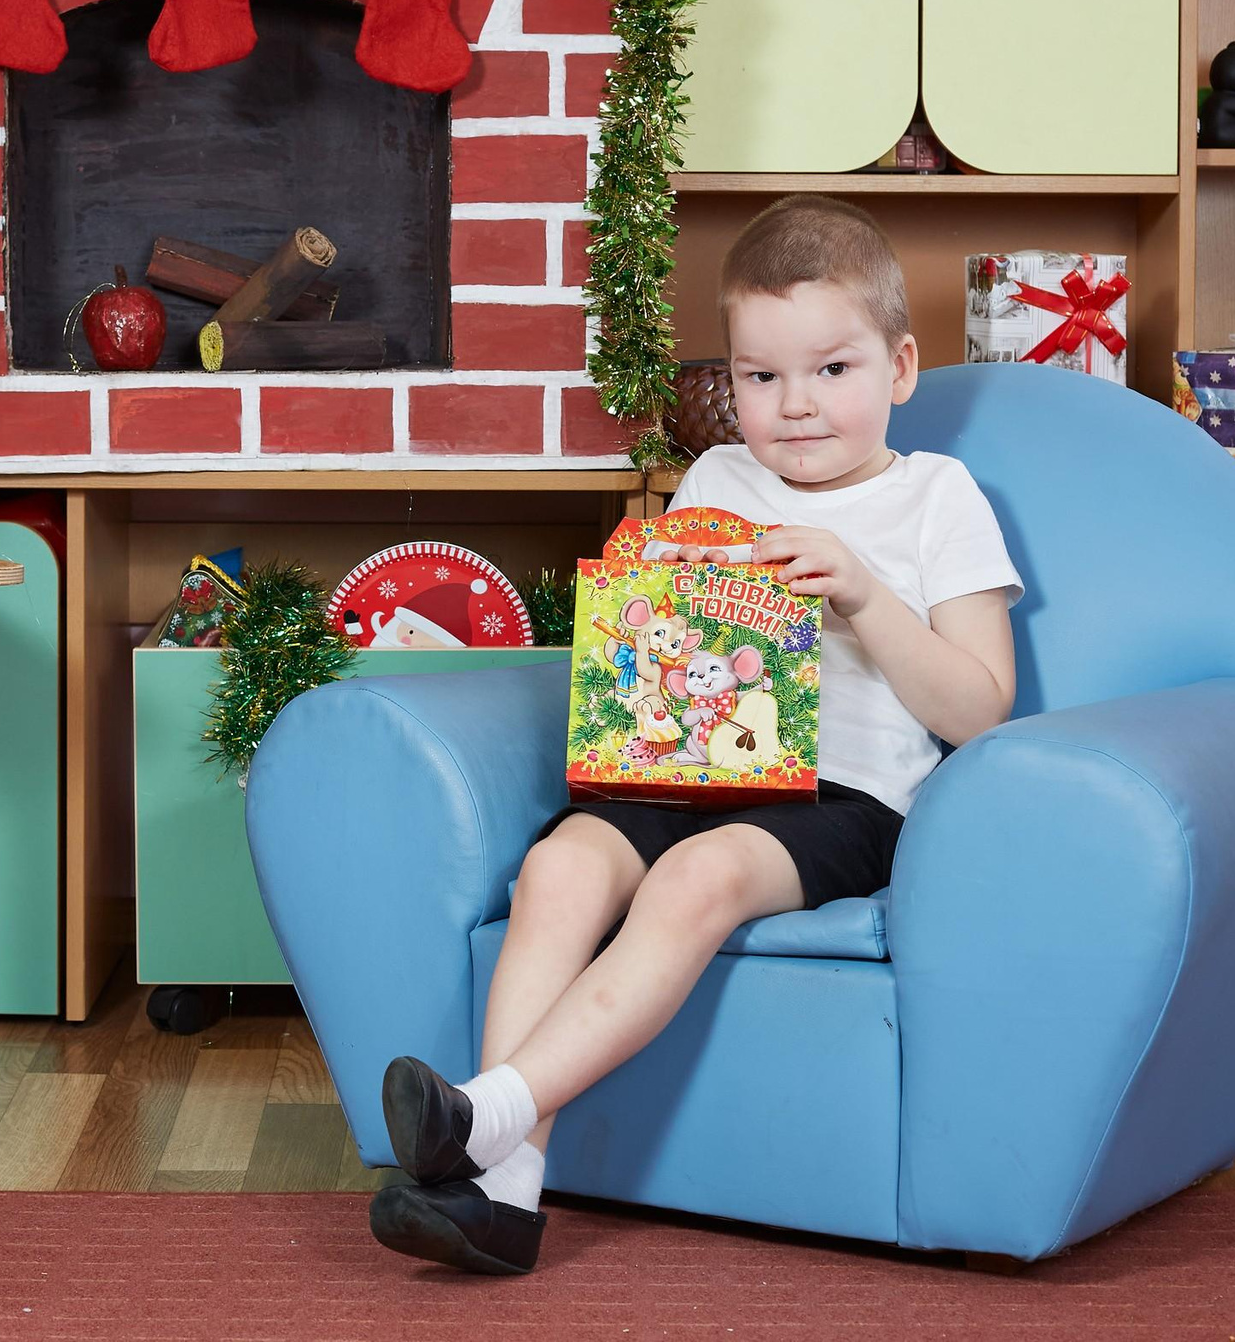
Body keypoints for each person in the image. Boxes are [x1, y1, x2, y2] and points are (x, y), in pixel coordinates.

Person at [369, 195, 1025, 1275]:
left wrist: (861, 596)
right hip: (683, 768)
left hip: (840, 798)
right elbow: (661, 674)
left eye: (832, 370)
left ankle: (488, 1120)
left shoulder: (934, 500)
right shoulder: (718, 480)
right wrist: (643, 599)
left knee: (690, 885)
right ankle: (505, 1193)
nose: (796, 407)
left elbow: (980, 708)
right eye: (760, 378)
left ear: (900, 369)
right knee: (558, 870)